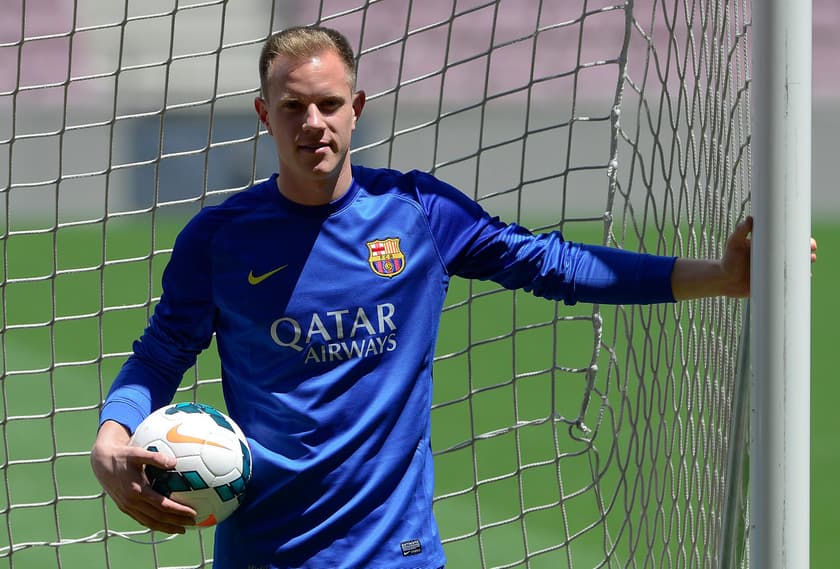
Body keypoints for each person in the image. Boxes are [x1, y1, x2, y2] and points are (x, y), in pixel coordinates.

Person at [90, 25, 816, 569]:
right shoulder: (219, 239)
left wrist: (718, 277)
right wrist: (113, 436)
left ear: (357, 107)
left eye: (329, 104)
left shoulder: (418, 214)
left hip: (398, 553)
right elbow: (161, 351)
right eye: (293, 107)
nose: (313, 122)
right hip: (268, 553)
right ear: (263, 113)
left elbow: (552, 264)